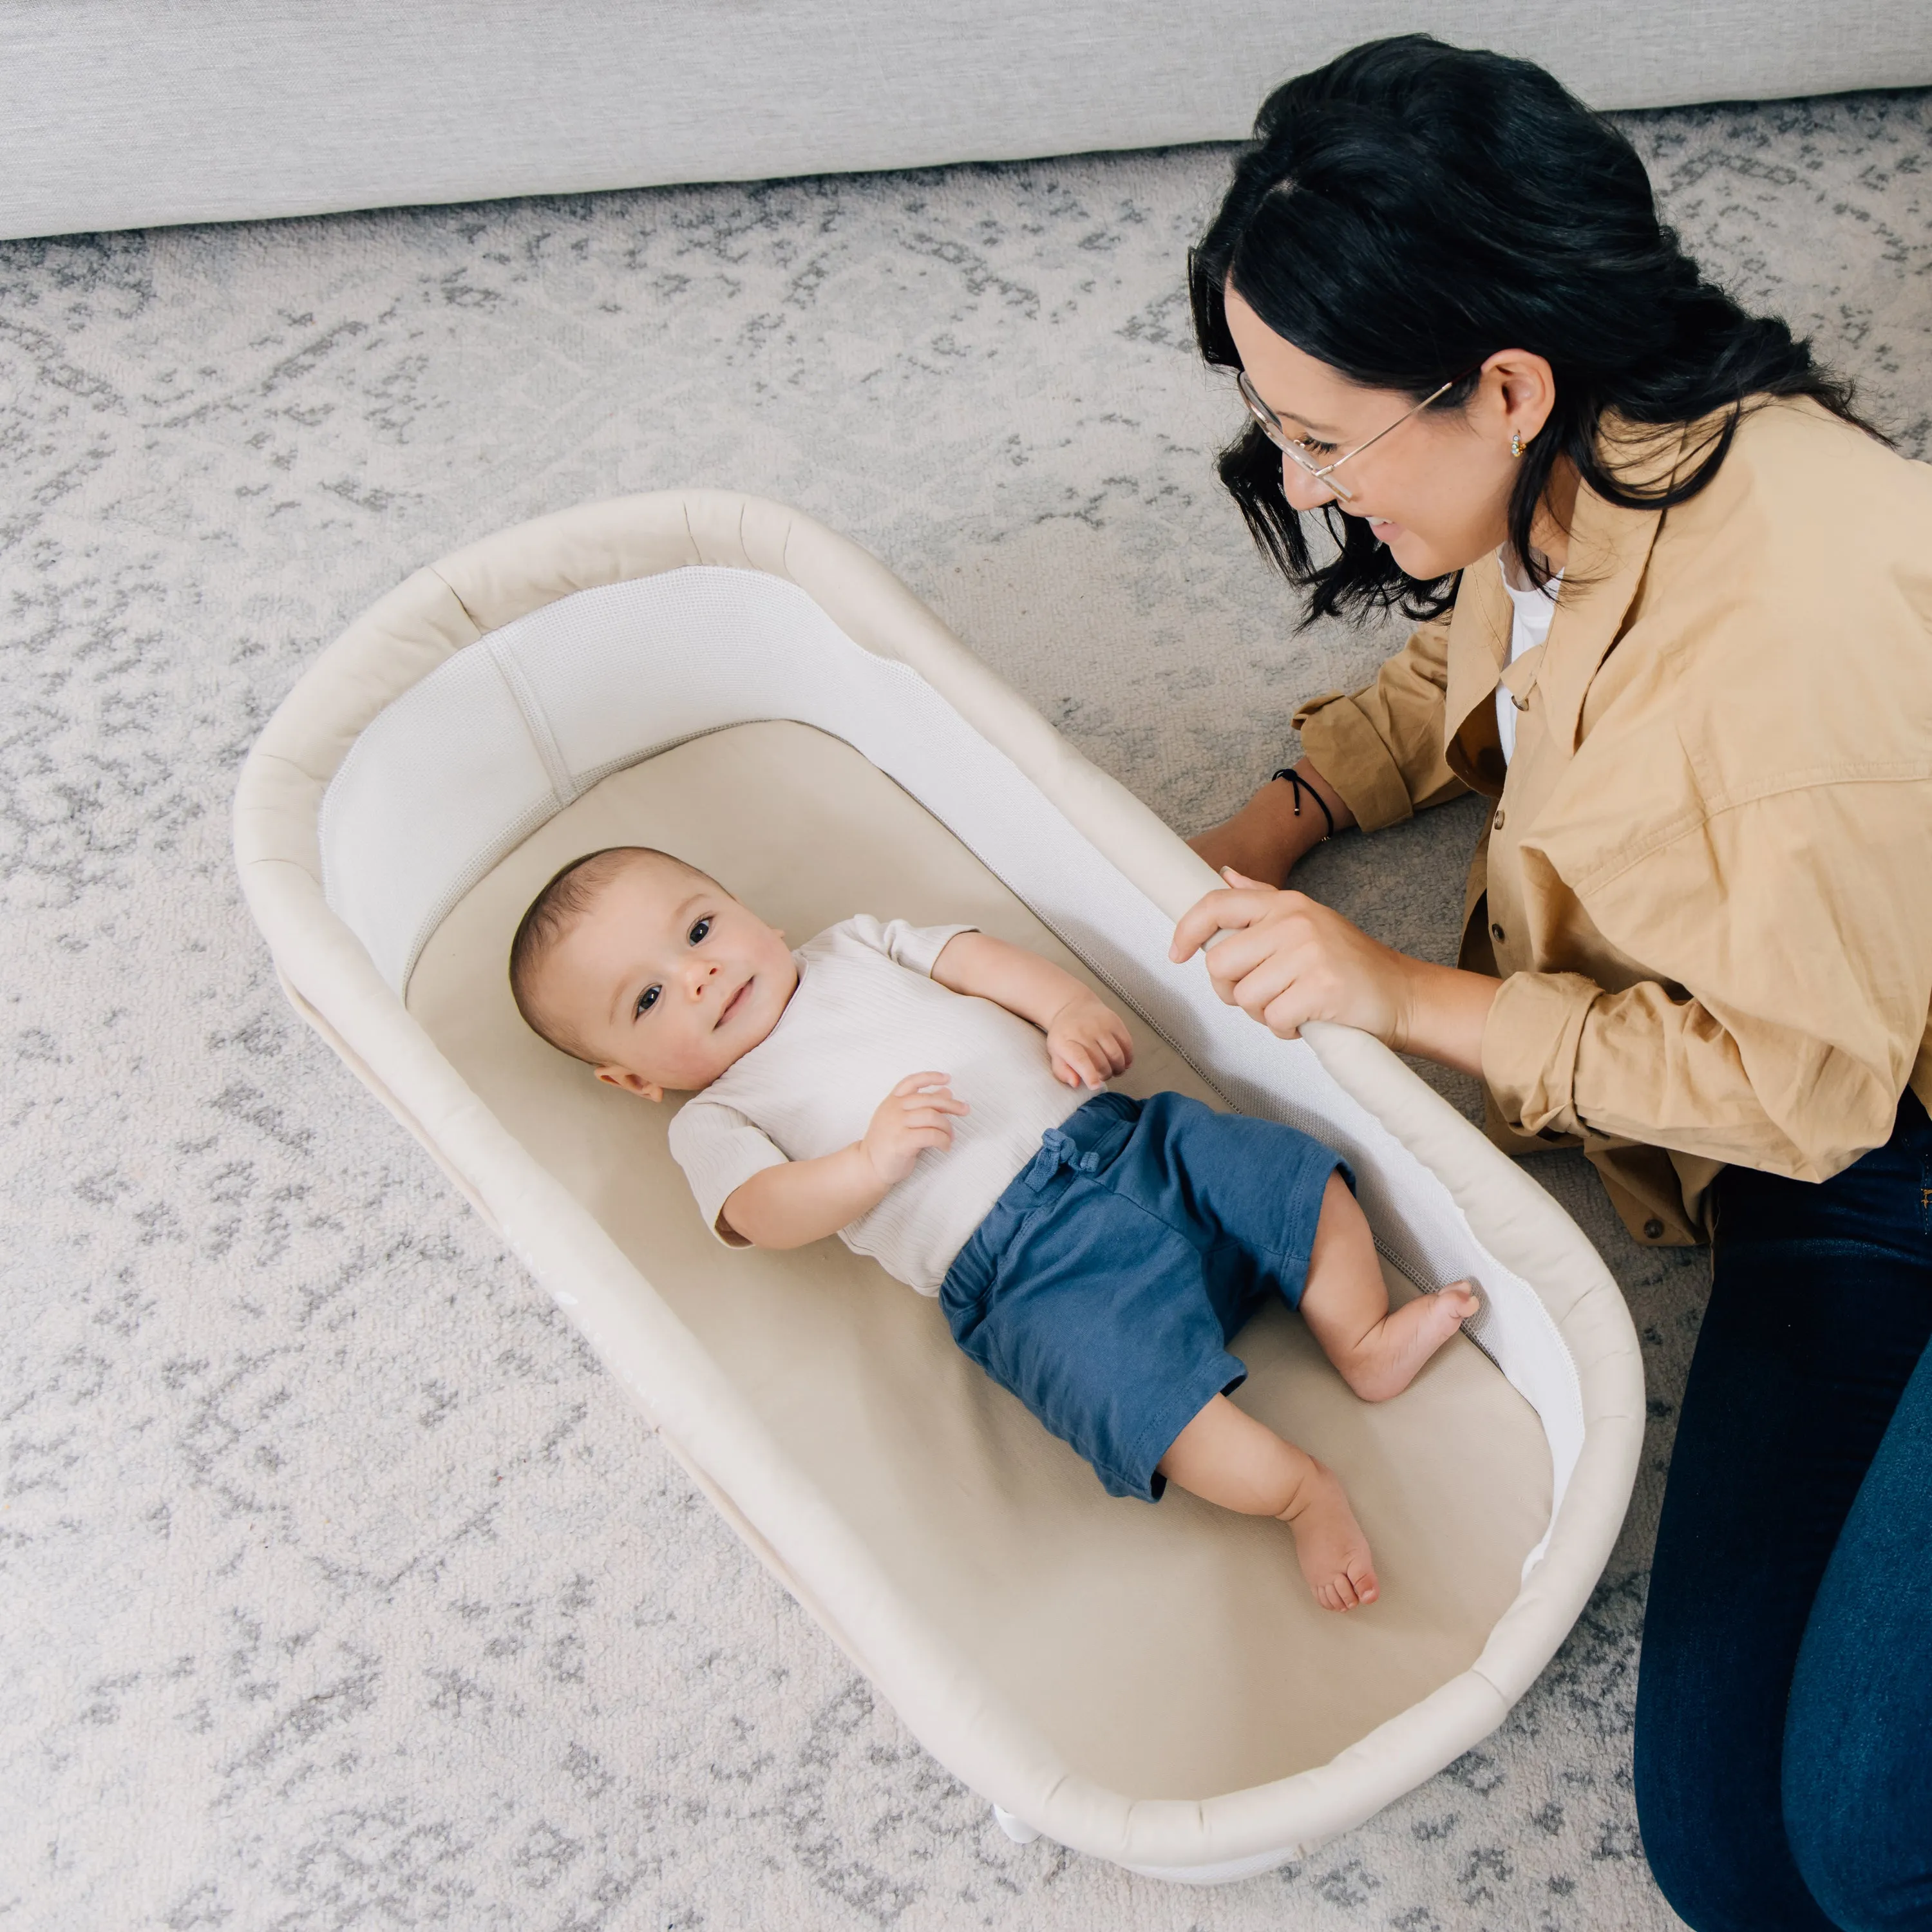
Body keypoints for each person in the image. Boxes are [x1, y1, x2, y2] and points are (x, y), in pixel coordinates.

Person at [1170, 33, 1932, 1932]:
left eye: (1325, 437)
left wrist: (1402, 998)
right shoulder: (1576, 458)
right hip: (1825, 1190)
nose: (1306, 484)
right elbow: (1482, 672)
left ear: (1500, 383)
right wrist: (1281, 814)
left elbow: (1806, 1090)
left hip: (1859, 1118)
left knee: (1869, 1845)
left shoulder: (1795, 664)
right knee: (1733, 1869)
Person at [506, 844, 1482, 1611]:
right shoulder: (713, 1116)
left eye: (700, 928)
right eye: (646, 999)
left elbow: (977, 962)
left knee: (1285, 1177)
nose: (700, 976)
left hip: (1130, 1143)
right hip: (1029, 1281)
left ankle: (1360, 1338)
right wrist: (865, 1165)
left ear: (750, 909)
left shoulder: (852, 945)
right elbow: (757, 1212)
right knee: (1137, 1405)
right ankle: (1302, 1493)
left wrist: (1063, 1010)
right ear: (633, 1078)